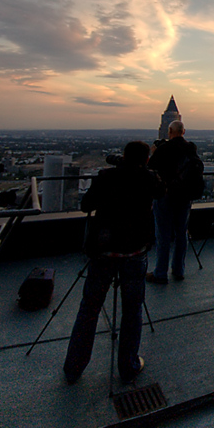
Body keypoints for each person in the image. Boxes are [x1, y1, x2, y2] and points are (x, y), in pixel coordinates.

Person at [64, 141, 162, 385]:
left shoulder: (106, 177)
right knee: (132, 310)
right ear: (146, 159)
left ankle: (74, 367)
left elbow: (86, 205)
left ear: (124, 156)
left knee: (89, 308)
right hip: (134, 252)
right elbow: (162, 192)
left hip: (104, 250)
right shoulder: (149, 178)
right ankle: (128, 366)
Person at [146, 120, 202, 284]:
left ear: (169, 131)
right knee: (181, 234)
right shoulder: (191, 148)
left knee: (163, 235)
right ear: (184, 132)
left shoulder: (164, 149)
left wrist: (155, 152)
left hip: (166, 194)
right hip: (185, 196)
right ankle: (179, 270)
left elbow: (151, 168)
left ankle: (160, 273)